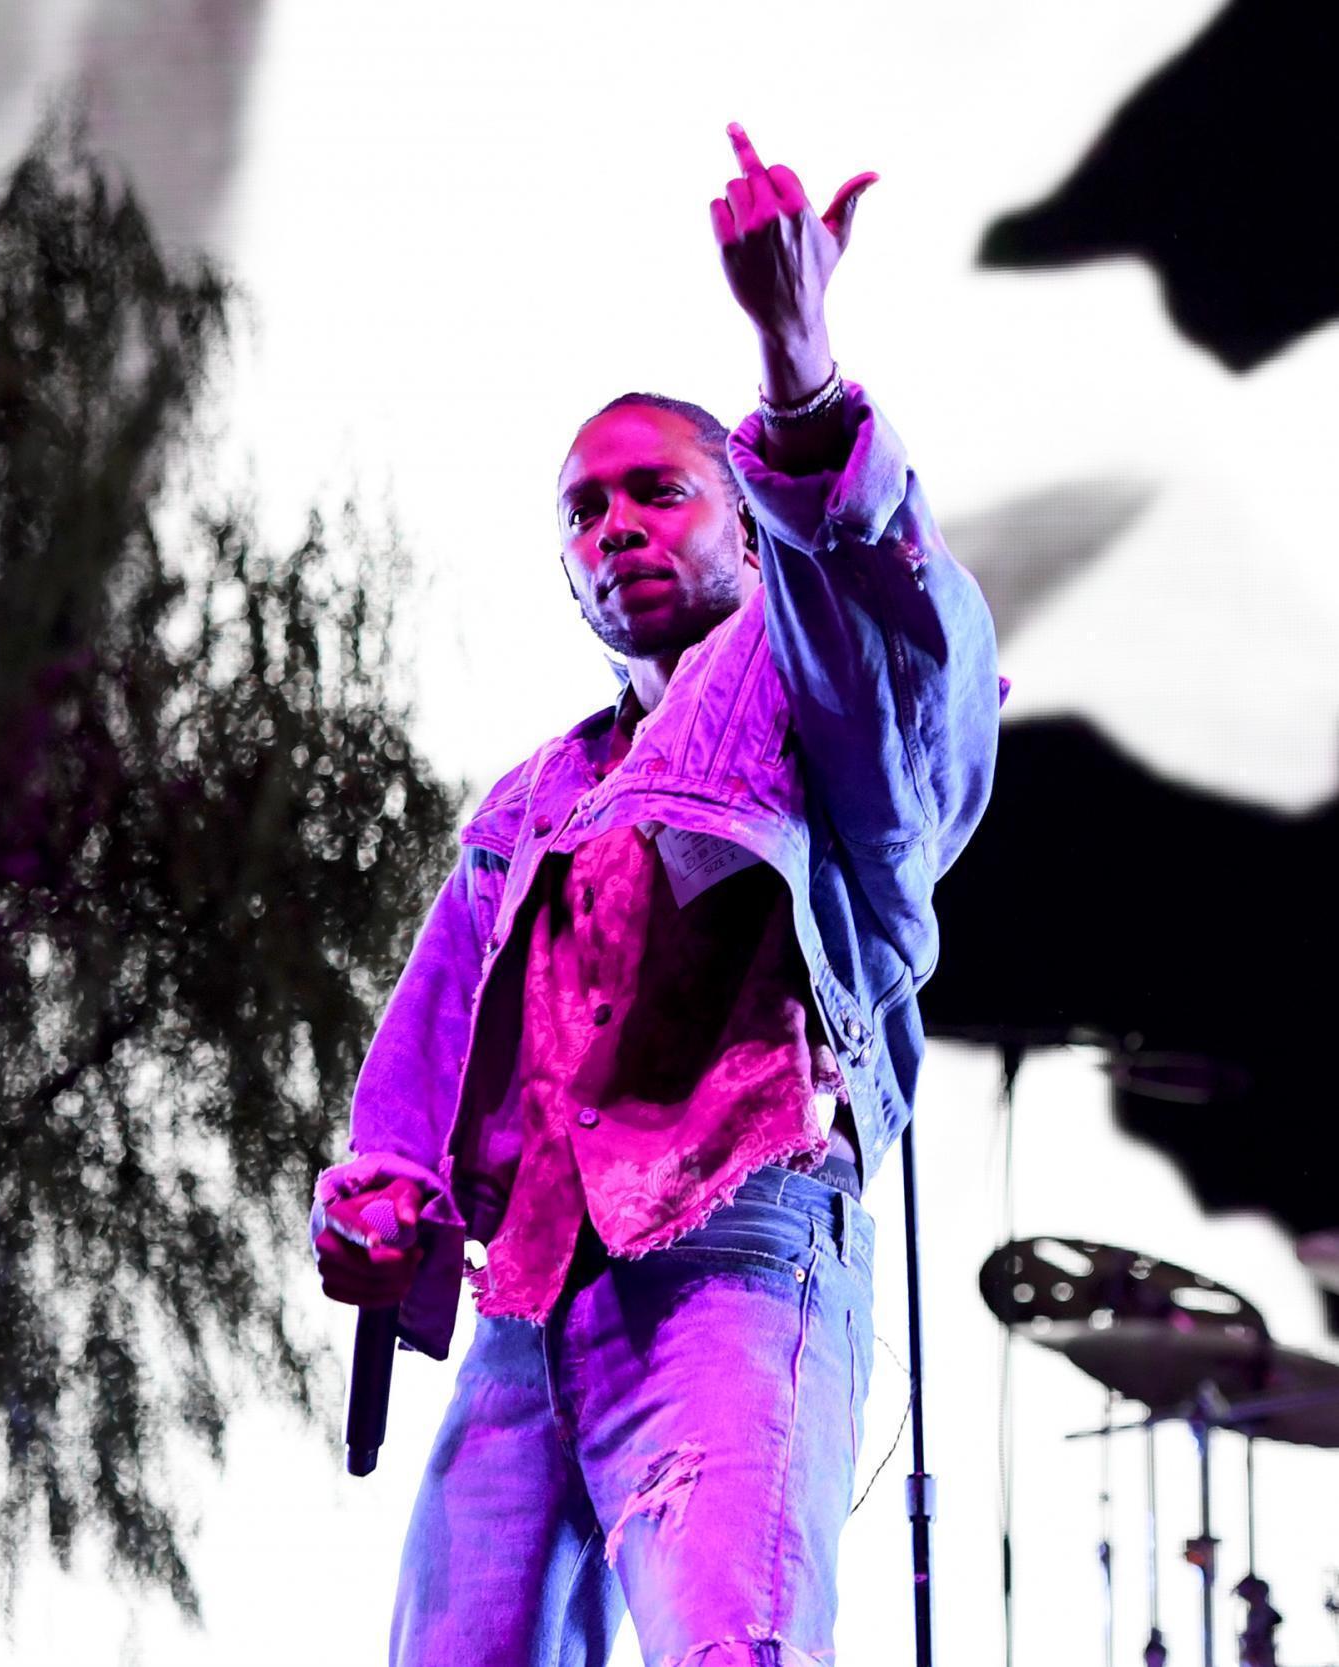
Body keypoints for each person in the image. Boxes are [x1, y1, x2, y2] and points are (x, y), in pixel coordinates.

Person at [313, 126, 1002, 1667]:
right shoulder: (536, 797)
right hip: (529, 1301)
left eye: (658, 492)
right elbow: (425, 1047)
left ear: (743, 520)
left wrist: (800, 372)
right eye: (584, 510)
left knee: (728, 1645)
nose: (615, 524)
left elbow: (914, 662)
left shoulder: (810, 681)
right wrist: (383, 1183)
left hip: (732, 1247)